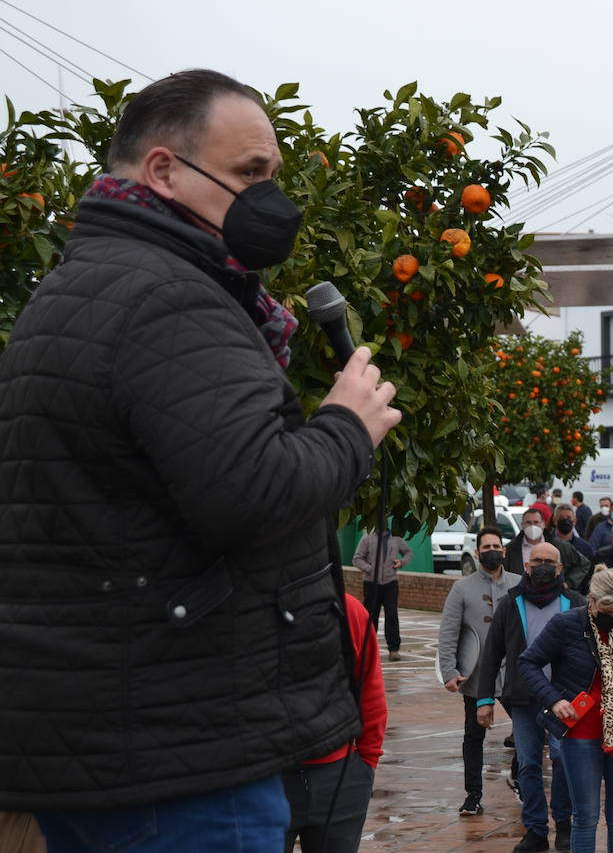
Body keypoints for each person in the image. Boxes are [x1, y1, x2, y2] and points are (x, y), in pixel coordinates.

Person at [0, 69, 401, 843]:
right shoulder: (169, 298)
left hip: (118, 739)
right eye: (251, 175)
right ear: (163, 171)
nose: (270, 203)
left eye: (273, 178)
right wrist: (347, 428)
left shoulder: (80, 287)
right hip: (180, 756)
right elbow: (252, 492)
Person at [519, 569, 613, 853]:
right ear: (592, 600)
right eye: (608, 609)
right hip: (579, 730)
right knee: (586, 816)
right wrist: (554, 700)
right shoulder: (565, 624)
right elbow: (528, 663)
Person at [476, 541, 585, 853]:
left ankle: (563, 824)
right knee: (527, 765)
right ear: (525, 565)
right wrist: (484, 699)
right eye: (536, 560)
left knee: (564, 761)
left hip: (564, 701)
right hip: (524, 699)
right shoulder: (511, 603)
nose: (542, 566)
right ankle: (536, 829)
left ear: (560, 568)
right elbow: (492, 652)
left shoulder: (574, 603)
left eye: (549, 561)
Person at [283, 592, 388, 853]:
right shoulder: (249, 608)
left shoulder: (348, 609)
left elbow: (370, 689)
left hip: (341, 776)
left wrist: (367, 761)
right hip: (267, 777)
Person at [438, 526, 523, 817]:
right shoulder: (461, 588)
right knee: (473, 736)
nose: (491, 551)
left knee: (528, 730)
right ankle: (473, 795)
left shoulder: (519, 584)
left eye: (496, 546)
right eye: (485, 547)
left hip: (513, 674)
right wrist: (449, 670)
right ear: (476, 553)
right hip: (476, 676)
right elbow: (449, 633)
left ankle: (519, 777)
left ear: (504, 550)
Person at [354, 527, 413, 661]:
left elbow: (408, 552)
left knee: (391, 615)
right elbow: (357, 559)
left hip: (390, 582)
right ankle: (367, 648)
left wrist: (401, 562)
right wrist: (370, 569)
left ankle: (394, 649)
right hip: (371, 583)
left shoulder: (396, 538)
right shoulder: (367, 538)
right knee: (370, 616)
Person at [507, 505, 590, 594]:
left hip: (554, 595)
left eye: (536, 522)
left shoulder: (560, 545)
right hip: (521, 595)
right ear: (522, 525)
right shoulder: (511, 548)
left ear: (543, 524)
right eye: (528, 523)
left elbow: (583, 564)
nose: (532, 526)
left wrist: (568, 583)